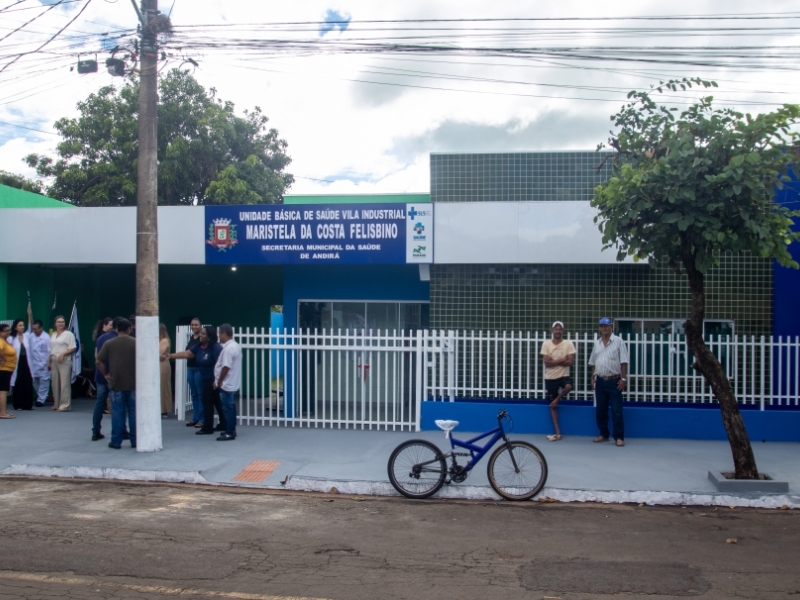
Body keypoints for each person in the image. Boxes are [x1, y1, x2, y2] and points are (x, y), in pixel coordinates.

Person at [167, 326, 225, 436]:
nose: (200, 336)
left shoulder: (215, 348)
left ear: (209, 337)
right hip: (205, 378)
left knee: (207, 402)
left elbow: (220, 364)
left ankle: (208, 427)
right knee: (216, 402)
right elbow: (186, 354)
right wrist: (170, 356)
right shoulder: (199, 346)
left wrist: (218, 380)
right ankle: (223, 424)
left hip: (213, 379)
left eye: (203, 334)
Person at [588, 317, 630, 447]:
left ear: (611, 327)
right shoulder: (597, 343)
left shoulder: (618, 342)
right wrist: (592, 377)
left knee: (617, 411)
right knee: (601, 410)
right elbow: (593, 362)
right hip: (600, 381)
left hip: (614, 381)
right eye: (602, 326)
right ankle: (604, 434)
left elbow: (624, 362)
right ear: (599, 328)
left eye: (606, 326)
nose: (604, 328)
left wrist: (623, 379)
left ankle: (619, 437)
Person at [96, 318, 137, 449]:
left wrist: (106, 373)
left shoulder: (109, 343)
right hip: (133, 383)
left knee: (118, 412)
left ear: (117, 329)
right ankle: (135, 440)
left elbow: (98, 361)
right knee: (133, 412)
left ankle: (116, 441)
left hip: (116, 382)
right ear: (129, 329)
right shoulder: (136, 342)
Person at [540, 321, 575, 442]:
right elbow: (547, 363)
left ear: (562, 331)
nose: (558, 331)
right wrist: (561, 360)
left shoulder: (568, 343)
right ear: (552, 331)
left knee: (569, 386)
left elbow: (570, 362)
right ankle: (557, 432)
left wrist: (553, 361)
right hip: (550, 377)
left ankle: (557, 399)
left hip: (563, 375)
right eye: (556, 329)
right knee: (553, 406)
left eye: (560, 329)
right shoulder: (546, 344)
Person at [214, 324, 242, 441]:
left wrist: (219, 381)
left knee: (228, 408)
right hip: (232, 382)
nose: (219, 337)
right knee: (231, 407)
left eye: (220, 334)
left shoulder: (228, 349)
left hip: (226, 383)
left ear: (224, 334)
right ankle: (231, 429)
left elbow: (226, 367)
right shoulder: (235, 346)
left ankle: (229, 432)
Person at [91, 317, 117, 441]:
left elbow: (97, 357)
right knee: (117, 404)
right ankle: (119, 431)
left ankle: (95, 431)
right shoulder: (118, 339)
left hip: (101, 375)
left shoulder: (100, 338)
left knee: (99, 403)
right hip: (114, 375)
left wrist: (103, 372)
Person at [48, 315, 76, 412]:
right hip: (54, 359)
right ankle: (56, 404)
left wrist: (63, 354)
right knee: (55, 383)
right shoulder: (53, 334)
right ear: (55, 324)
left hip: (64, 360)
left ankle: (65, 405)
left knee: (64, 383)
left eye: (62, 322)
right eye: (59, 322)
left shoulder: (69, 334)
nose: (61, 324)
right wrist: (49, 361)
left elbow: (73, 348)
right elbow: (51, 349)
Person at [10, 319, 34, 410]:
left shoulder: (27, 336)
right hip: (17, 362)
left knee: (27, 382)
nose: (22, 327)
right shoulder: (12, 338)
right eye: (20, 326)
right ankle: (18, 404)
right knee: (18, 382)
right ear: (15, 327)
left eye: (23, 325)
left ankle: (28, 404)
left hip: (26, 361)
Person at [184, 318, 204, 428]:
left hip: (198, 368)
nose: (194, 327)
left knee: (200, 394)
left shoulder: (202, 338)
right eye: (192, 325)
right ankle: (195, 418)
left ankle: (202, 419)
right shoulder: (192, 338)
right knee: (194, 394)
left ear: (200, 326)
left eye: (196, 325)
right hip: (190, 368)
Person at [28, 319, 51, 407]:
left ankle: (41, 400)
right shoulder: (31, 336)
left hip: (44, 363)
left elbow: (49, 351)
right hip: (33, 363)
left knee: (44, 382)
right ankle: (40, 396)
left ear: (41, 328)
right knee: (34, 381)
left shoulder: (46, 337)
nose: (34, 330)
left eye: (36, 329)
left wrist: (48, 362)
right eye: (33, 329)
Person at [0, 323, 17, 419]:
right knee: (3, 391)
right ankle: (2, 413)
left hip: (8, 369)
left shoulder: (5, 341)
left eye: (9, 330)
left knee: (3, 391)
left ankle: (3, 411)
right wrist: (3, 358)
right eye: (6, 331)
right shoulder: (1, 341)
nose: (8, 332)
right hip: (3, 370)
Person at [159, 323, 173, 418]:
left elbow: (159, 353)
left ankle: (163, 409)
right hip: (161, 364)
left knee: (163, 386)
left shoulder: (164, 340)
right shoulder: (163, 340)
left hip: (162, 365)